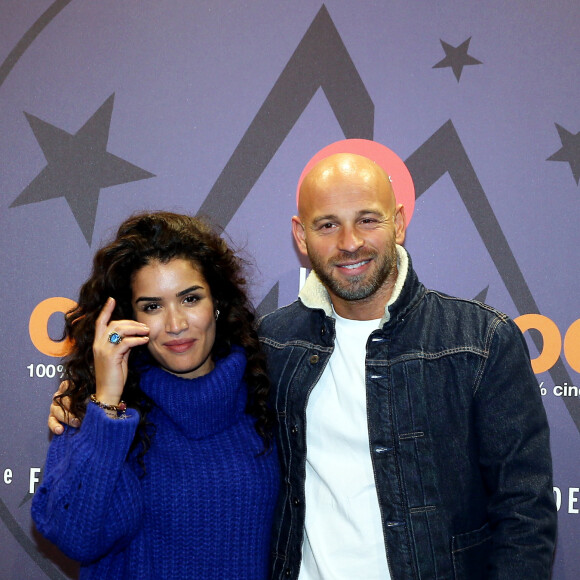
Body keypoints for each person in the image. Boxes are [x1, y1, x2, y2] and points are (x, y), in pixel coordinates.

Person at [257, 149, 557, 579]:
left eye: (367, 219)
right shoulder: (271, 343)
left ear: (397, 222)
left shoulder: (480, 341)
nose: (349, 242)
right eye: (327, 224)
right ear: (301, 236)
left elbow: (525, 513)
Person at [33, 211, 280, 579]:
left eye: (190, 299)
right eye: (152, 306)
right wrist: (106, 402)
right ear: (127, 318)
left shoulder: (265, 393)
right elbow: (76, 538)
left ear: (217, 302)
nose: (176, 324)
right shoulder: (95, 410)